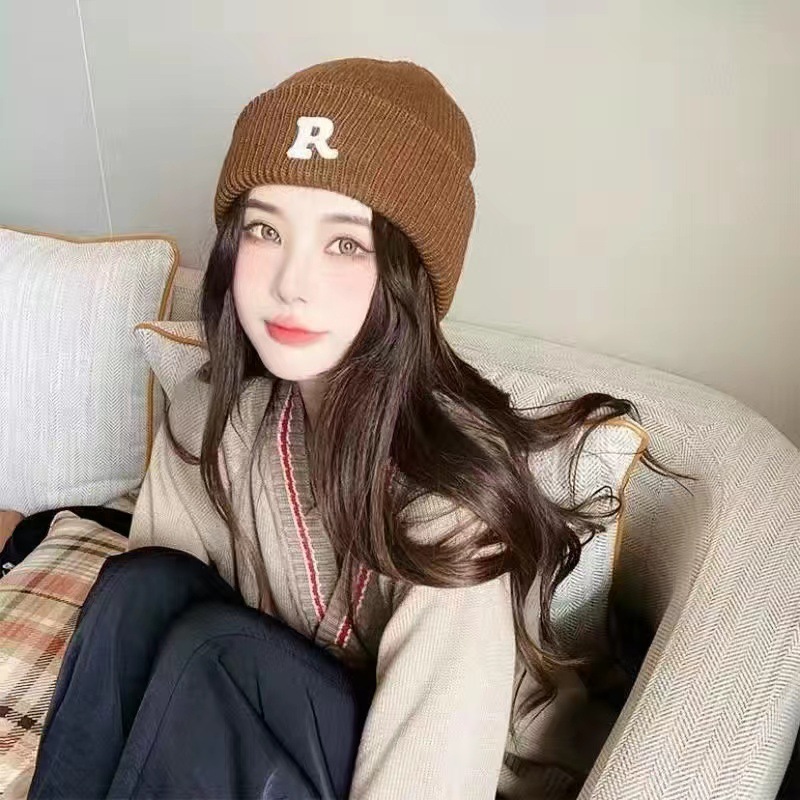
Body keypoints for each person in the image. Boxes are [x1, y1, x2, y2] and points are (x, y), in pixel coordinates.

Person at [21, 57, 664, 799]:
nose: (290, 282)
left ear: (407, 278)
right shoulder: (212, 418)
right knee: (140, 588)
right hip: (276, 732)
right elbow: (139, 666)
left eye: (345, 244)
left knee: (221, 649)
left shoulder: (450, 503)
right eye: (265, 230)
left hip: (446, 767)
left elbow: (432, 777)